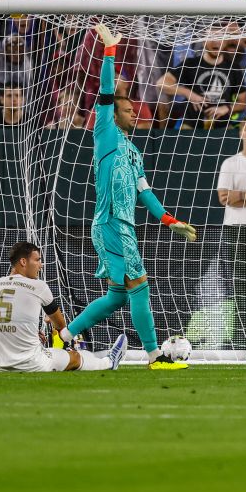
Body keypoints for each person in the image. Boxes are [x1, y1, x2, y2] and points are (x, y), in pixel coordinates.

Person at [55, 24, 198, 370]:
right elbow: (105, 91)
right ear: (114, 114)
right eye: (128, 109)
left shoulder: (134, 152)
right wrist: (108, 50)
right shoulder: (105, 133)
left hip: (124, 226)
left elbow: (145, 193)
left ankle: (63, 335)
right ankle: (155, 356)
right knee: (141, 287)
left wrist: (169, 220)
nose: (134, 112)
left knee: (118, 295)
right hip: (110, 223)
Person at [0, 241, 128, 373]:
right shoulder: (38, 286)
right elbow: (60, 325)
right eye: (37, 260)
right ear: (23, 262)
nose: (41, 265)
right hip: (30, 364)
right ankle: (109, 362)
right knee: (75, 357)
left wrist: (30, 332)